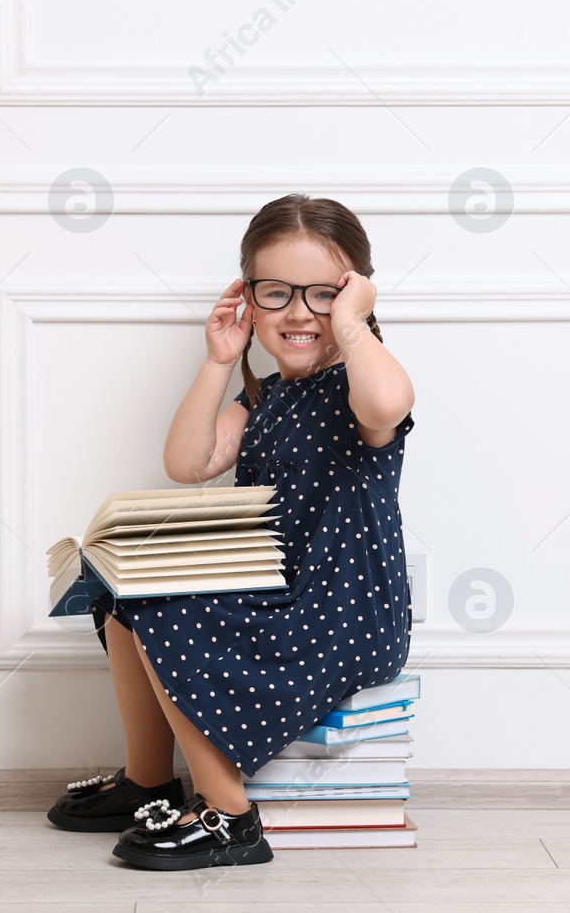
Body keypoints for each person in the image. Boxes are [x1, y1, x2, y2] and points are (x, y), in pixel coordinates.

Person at [46, 193, 417, 870]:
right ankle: (148, 780)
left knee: (163, 604)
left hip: (343, 609)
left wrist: (355, 326)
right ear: (249, 298)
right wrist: (221, 359)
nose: (300, 312)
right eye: (277, 293)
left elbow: (389, 402)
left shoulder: (363, 387)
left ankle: (229, 816)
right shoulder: (266, 397)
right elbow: (187, 462)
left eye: (324, 295)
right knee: (124, 592)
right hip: (275, 592)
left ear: (356, 296)